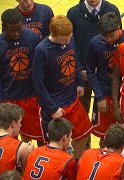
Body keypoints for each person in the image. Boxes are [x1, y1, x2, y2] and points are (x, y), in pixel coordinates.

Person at [32, 15, 93, 159]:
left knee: (84, 133)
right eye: (63, 39)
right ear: (53, 34)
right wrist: (52, 108)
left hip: (72, 99)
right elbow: (37, 83)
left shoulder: (69, 39)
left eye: (69, 37)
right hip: (54, 105)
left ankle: (75, 163)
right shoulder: (42, 50)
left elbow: (74, 60)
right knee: (54, 147)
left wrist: (79, 83)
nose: (67, 41)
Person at [67, 0, 121, 149]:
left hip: (107, 76)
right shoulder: (73, 13)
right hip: (82, 72)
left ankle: (106, 148)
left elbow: (119, 44)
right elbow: (70, 44)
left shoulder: (112, 9)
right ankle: (85, 149)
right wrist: (79, 69)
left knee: (106, 118)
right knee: (81, 114)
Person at [0, 9, 43, 144]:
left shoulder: (33, 38)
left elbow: (41, 68)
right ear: (4, 26)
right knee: (10, 139)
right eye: (13, 30)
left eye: (19, 29)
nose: (17, 33)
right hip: (9, 98)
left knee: (41, 135)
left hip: (31, 95)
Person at [86, 12, 124, 145]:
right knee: (104, 137)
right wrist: (99, 97)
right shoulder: (95, 43)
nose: (109, 39)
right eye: (105, 37)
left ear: (118, 28)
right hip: (105, 94)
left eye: (112, 35)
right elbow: (90, 72)